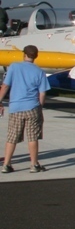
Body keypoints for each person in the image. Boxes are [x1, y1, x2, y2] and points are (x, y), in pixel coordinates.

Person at [0, 45, 51, 173]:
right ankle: (34, 164)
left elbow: (5, 86)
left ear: (24, 55)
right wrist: (39, 106)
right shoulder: (39, 72)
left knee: (12, 137)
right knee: (33, 137)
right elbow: (42, 93)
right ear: (36, 56)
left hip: (16, 107)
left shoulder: (14, 67)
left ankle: (6, 164)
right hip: (32, 107)